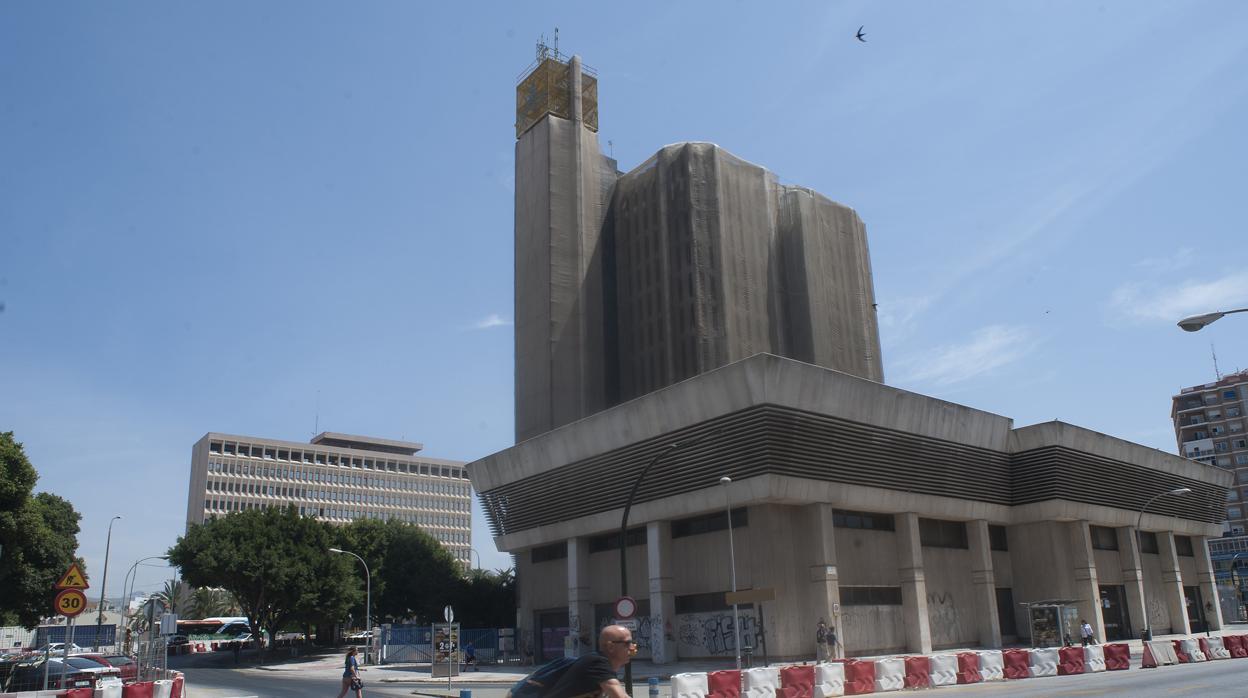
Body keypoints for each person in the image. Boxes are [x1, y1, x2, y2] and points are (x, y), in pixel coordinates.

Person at [545, 624, 635, 698]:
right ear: (610, 647)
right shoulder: (597, 663)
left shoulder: (602, 666)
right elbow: (620, 696)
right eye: (627, 643)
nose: (632, 648)